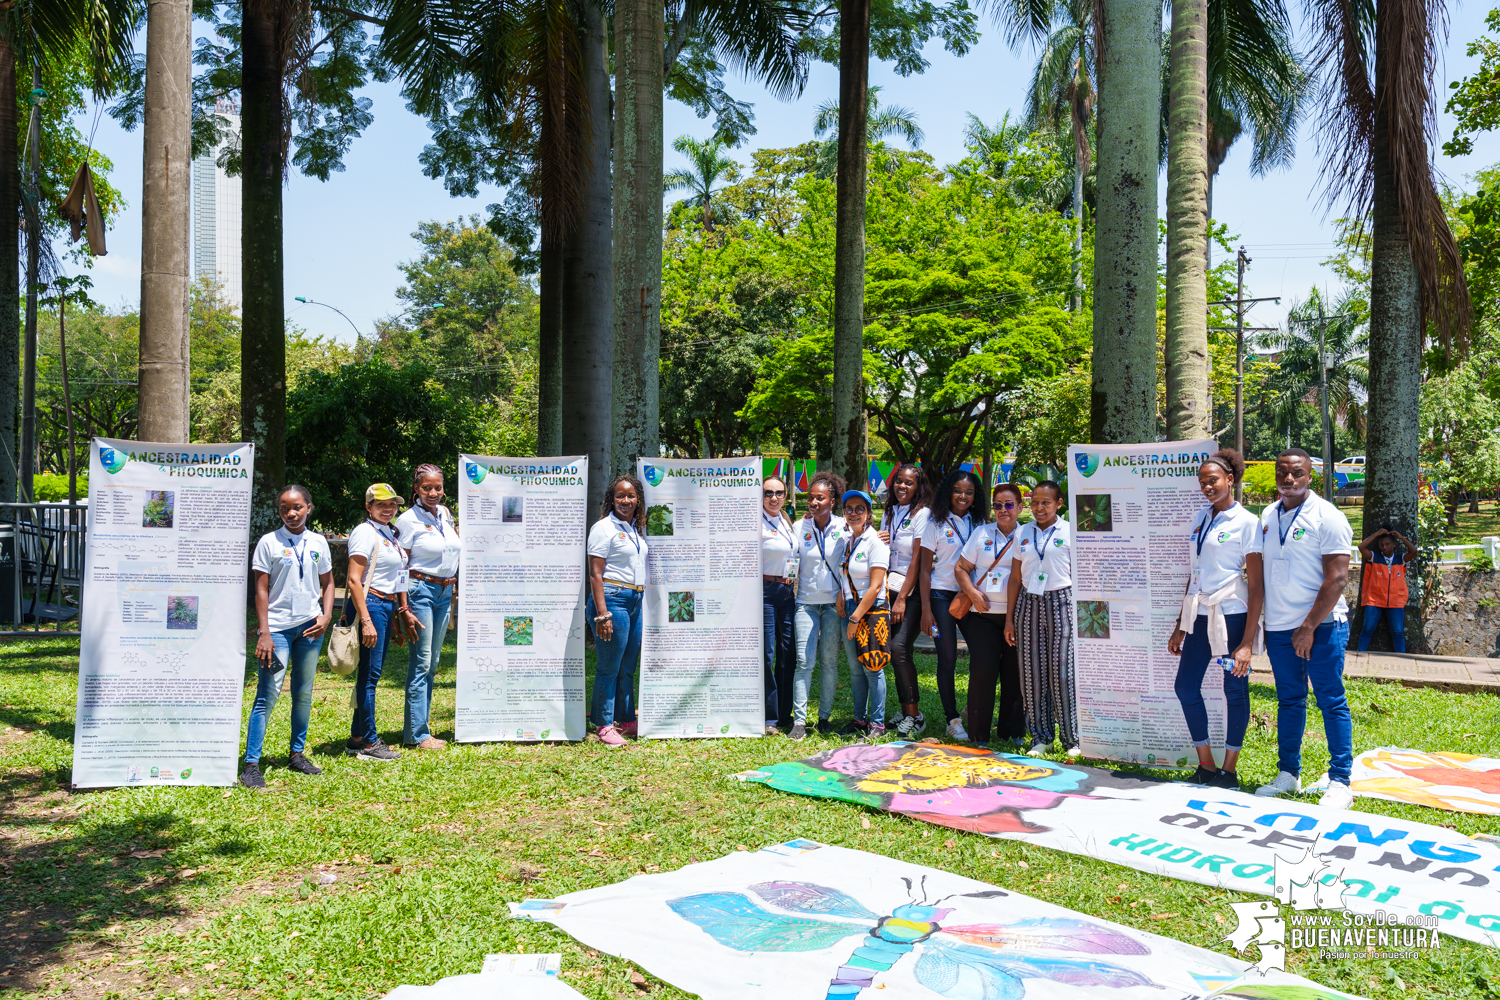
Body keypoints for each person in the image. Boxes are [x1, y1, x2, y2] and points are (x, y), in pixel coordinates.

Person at [1251, 448, 1356, 809]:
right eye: (1283, 472)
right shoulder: (1267, 513)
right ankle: (1288, 775)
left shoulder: (1328, 517)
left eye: (1297, 473)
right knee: (1290, 700)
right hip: (1281, 627)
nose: (1289, 479)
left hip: (1321, 626)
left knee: (1331, 700)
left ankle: (1341, 781)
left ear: (1310, 476)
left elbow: (1338, 578)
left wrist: (1309, 626)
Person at [1167, 449, 1262, 789]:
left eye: (1213, 481)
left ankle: (1229, 771)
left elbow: (1257, 585)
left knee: (1233, 689)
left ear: (1230, 480)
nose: (1207, 487)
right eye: (1202, 482)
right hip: (1200, 618)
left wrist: (1247, 643)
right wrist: (1181, 625)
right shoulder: (1200, 518)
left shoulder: (1247, 523)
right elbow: (1194, 574)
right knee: (1185, 687)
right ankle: (1206, 764)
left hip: (1232, 619)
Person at [240, 485, 336, 788]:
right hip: (278, 631)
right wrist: (264, 632)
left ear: (309, 507)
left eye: (297, 507)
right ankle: (251, 765)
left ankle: (296, 754)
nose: (291, 513)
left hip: (310, 628)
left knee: (303, 694)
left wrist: (326, 615)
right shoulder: (268, 542)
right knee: (267, 695)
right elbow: (261, 589)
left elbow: (329, 582)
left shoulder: (319, 541)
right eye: (284, 508)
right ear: (279, 511)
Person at [345, 483, 422, 762]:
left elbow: (401, 575)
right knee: (369, 677)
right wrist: (366, 620)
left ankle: (356, 738)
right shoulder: (364, 533)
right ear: (368, 507)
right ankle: (370, 743)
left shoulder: (390, 533)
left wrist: (401, 610)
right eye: (381, 504)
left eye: (392, 504)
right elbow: (354, 579)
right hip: (372, 605)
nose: (388, 508)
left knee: (369, 673)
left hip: (387, 607)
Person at [1003, 481, 1078, 756]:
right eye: (1034, 502)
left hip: (1061, 601)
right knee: (1032, 673)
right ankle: (1041, 737)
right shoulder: (1022, 532)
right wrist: (1010, 619)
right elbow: (1014, 577)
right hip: (1028, 602)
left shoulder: (1070, 531)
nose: (1039, 507)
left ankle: (1073, 740)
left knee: (1062, 672)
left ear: (1059, 504)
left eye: (1045, 502)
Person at [918, 469, 988, 742]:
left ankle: (975, 710)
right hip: (940, 598)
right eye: (958, 490)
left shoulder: (979, 523)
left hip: (972, 597)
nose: (963, 496)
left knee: (982, 656)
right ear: (949, 492)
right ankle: (952, 719)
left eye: (969, 492)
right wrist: (926, 609)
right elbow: (925, 570)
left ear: (975, 497)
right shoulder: (935, 523)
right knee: (947, 657)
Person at [396, 463, 461, 751]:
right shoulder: (408, 520)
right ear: (416, 489)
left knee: (433, 664)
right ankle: (417, 734)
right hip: (419, 591)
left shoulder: (445, 515)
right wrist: (403, 608)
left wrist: (454, 591)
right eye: (426, 488)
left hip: (445, 593)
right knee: (421, 662)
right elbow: (401, 565)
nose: (433, 492)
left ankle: (422, 727)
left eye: (437, 487)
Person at [954, 482, 1024, 746]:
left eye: (1009, 505)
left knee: (1014, 672)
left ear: (1019, 506)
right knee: (983, 669)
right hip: (981, 615)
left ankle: (1012, 731)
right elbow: (961, 567)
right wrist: (972, 592)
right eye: (998, 505)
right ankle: (978, 734)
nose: (1003, 510)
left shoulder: (1026, 535)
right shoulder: (982, 533)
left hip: (1016, 617)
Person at [586, 474, 648, 748]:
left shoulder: (634, 528)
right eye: (620, 495)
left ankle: (625, 721)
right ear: (612, 499)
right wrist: (602, 614)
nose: (625, 500)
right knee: (610, 667)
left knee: (627, 667)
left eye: (631, 496)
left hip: (635, 600)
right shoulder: (603, 527)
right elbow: (595, 574)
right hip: (612, 600)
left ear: (638, 500)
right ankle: (604, 724)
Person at [791, 471, 849, 740]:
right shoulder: (799, 527)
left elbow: (858, 550)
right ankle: (799, 722)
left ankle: (824, 718)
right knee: (804, 661)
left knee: (829, 662)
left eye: (820, 498)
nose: (813, 503)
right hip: (806, 604)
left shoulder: (844, 526)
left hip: (833, 606)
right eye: (811, 498)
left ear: (833, 501)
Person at [878, 464, 933, 737]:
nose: (902, 487)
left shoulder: (923, 514)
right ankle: (905, 709)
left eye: (909, 483)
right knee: (892, 651)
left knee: (899, 648)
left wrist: (901, 599)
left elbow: (917, 559)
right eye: (899, 481)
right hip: (886, 586)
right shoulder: (888, 511)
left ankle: (916, 716)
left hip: (908, 591)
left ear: (918, 486)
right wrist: (878, 539)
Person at [836, 490, 891, 738]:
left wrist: (855, 619)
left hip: (870, 613)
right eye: (849, 508)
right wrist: (842, 594)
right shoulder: (850, 541)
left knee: (873, 667)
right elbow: (848, 574)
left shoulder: (875, 543)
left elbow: (875, 586)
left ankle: (877, 724)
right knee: (856, 669)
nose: (854, 513)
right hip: (852, 607)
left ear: (869, 514)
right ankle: (860, 720)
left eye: (860, 509)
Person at [761, 475, 797, 734]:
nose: (774, 497)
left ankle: (784, 714)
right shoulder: (754, 521)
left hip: (787, 591)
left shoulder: (786, 520)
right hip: (764, 592)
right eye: (768, 492)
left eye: (779, 492)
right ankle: (768, 717)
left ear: (786, 495)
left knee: (788, 654)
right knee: (767, 654)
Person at [1357, 527, 1416, 652]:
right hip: (1375, 599)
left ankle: (1401, 658)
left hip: (1396, 601)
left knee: (1398, 632)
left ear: (1394, 544)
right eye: (1382, 545)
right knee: (1367, 628)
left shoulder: (1400, 559)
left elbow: (1413, 551)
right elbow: (1361, 547)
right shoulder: (1374, 557)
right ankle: (1359, 654)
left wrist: (1402, 538)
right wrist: (1376, 534)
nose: (1384, 547)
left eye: (1387, 544)